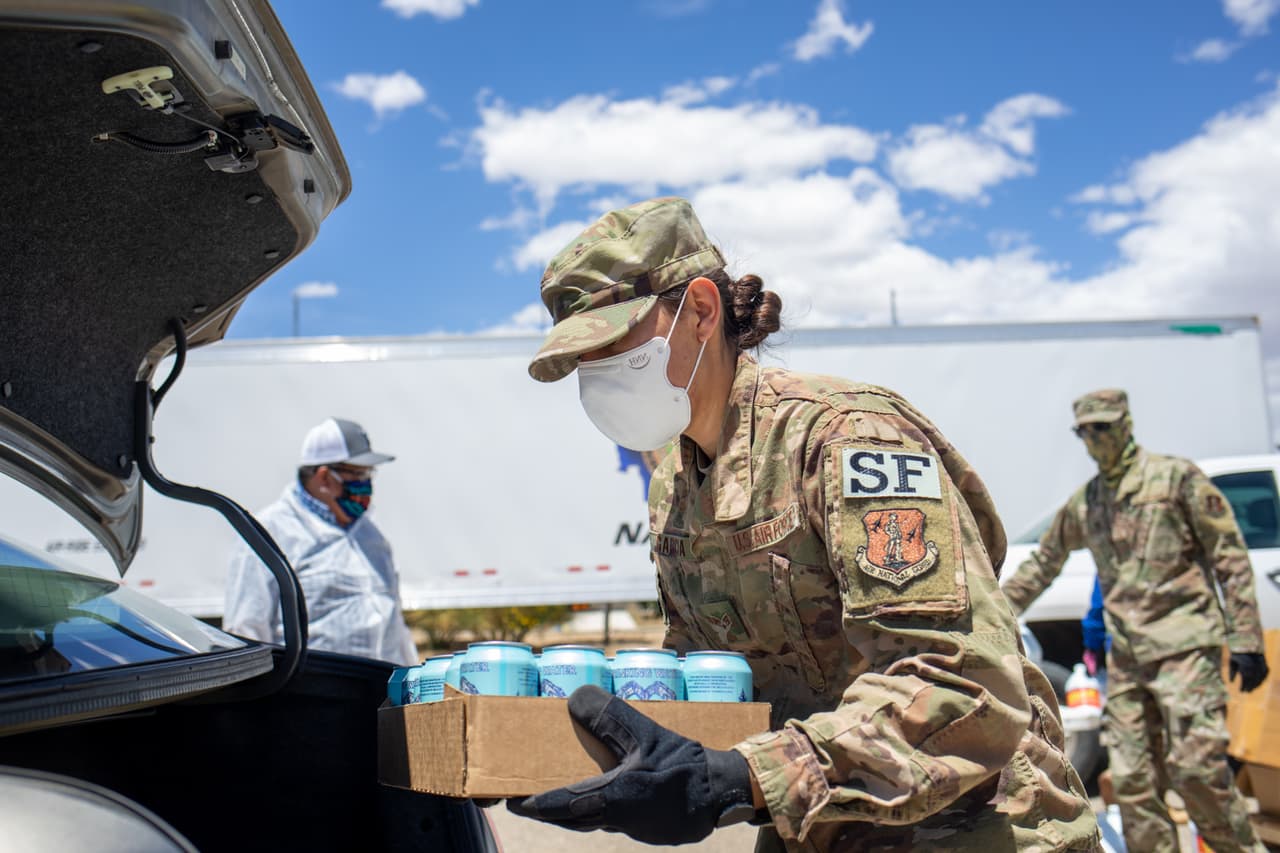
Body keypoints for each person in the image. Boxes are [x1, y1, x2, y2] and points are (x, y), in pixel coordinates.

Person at [507, 196, 1099, 851]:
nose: (598, 374)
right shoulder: (674, 486)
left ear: (701, 311)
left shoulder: (848, 438)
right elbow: (705, 679)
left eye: (614, 343)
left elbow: (966, 687)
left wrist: (738, 778)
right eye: (583, 359)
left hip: (971, 828)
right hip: (820, 829)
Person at [1001, 389, 1269, 853]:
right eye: (1086, 431)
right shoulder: (1087, 502)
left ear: (1126, 425)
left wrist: (1245, 636)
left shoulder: (1175, 480)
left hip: (1185, 649)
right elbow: (1044, 564)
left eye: (1104, 427)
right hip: (1128, 659)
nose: (1096, 439)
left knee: (1197, 773)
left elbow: (1230, 557)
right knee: (1132, 782)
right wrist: (994, 614)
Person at [223, 417, 417, 666]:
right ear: (325, 477)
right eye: (358, 474)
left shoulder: (369, 531)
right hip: (316, 696)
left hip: (380, 689)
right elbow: (246, 628)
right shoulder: (268, 532)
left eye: (369, 474)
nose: (366, 484)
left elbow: (393, 618)